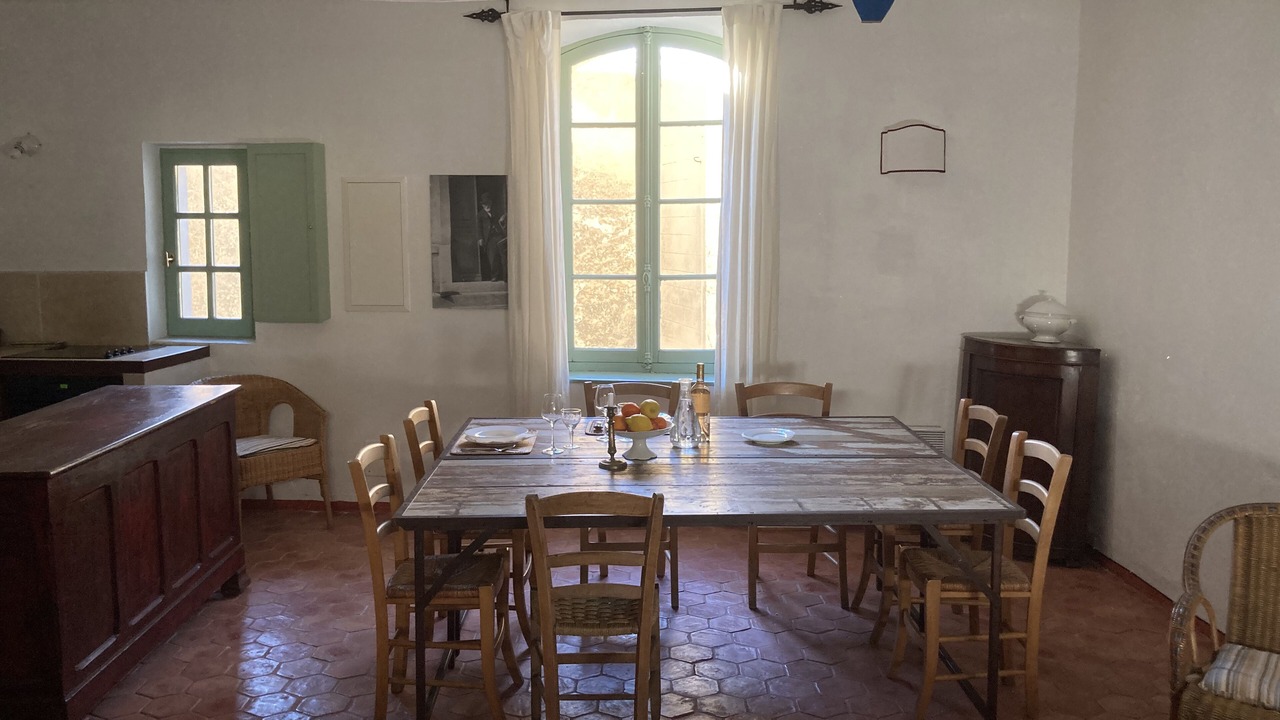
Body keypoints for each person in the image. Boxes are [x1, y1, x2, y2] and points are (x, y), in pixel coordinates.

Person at [477, 191, 507, 282]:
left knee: (504, 257)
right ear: (482, 205)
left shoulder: (497, 211)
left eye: (488, 203)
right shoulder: (480, 215)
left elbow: (505, 218)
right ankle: (495, 276)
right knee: (493, 258)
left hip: (500, 237)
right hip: (489, 239)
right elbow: (479, 228)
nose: (487, 206)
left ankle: (506, 277)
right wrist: (480, 238)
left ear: (491, 203)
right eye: (485, 204)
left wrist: (503, 218)